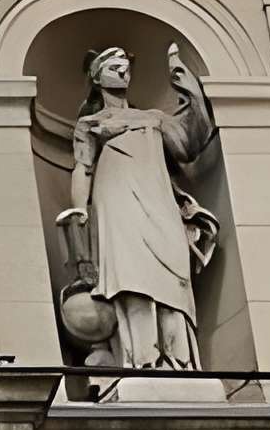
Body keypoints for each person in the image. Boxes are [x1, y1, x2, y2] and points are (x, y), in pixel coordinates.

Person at [58, 43, 219, 372]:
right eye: (112, 65)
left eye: (125, 64)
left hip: (158, 198)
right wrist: (80, 211)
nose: (122, 70)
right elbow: (83, 168)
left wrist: (181, 79)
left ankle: (180, 361)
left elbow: (190, 140)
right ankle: (141, 358)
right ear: (97, 78)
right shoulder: (91, 123)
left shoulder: (154, 118)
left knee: (173, 271)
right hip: (117, 200)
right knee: (129, 274)